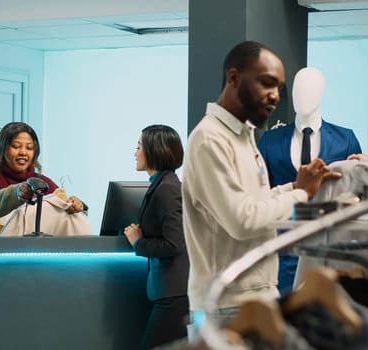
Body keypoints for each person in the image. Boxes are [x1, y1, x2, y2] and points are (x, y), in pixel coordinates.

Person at [181, 41, 341, 326]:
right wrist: (300, 194)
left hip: (256, 298)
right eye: (267, 84)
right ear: (233, 78)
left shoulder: (244, 137)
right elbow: (242, 220)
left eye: (279, 88)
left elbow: (257, 202)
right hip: (227, 305)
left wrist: (294, 188)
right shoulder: (209, 139)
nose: (275, 96)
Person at [258, 67, 362, 295]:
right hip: (283, 246)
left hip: (329, 245)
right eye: (298, 89)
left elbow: (357, 197)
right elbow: (260, 193)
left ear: (322, 92)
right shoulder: (270, 141)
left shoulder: (346, 140)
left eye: (311, 89)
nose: (303, 96)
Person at [123, 125, 189, 349]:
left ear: (154, 150)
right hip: (170, 293)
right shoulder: (162, 185)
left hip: (174, 294)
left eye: (139, 146)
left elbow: (175, 242)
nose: (135, 153)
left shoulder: (167, 189)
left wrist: (138, 242)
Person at [0, 122, 86, 236]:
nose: (23, 152)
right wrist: (16, 193)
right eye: (16, 146)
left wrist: (75, 205)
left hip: (32, 254)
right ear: (2, 148)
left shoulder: (44, 183)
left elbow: (65, 215)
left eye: (29, 148)